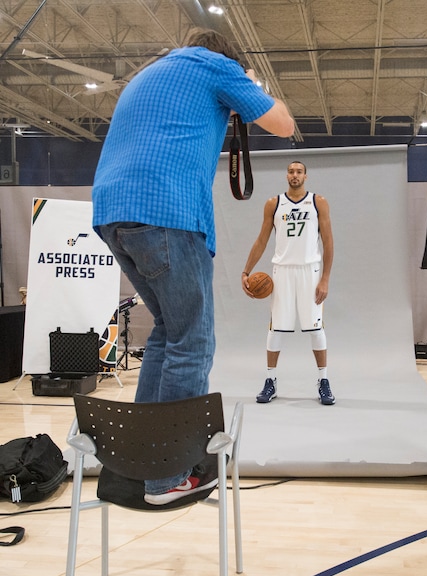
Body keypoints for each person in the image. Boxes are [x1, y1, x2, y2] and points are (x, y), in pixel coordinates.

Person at [92, 28, 295, 506]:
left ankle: (141, 461)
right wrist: (251, 81)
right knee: (194, 341)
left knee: (167, 331)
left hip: (112, 212)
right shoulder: (215, 66)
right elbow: (283, 124)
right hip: (167, 213)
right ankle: (168, 478)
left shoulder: (150, 73)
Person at [242, 161, 335, 405]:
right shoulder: (274, 204)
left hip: (310, 271)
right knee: (276, 329)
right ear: (286, 176)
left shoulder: (318, 202)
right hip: (282, 271)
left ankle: (323, 381)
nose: (295, 175)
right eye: (291, 171)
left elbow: (328, 242)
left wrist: (325, 277)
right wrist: (246, 270)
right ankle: (270, 381)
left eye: (299, 171)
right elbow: (262, 239)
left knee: (316, 328)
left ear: (306, 175)